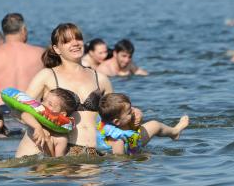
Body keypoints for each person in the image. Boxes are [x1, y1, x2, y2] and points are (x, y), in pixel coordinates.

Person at [15, 23, 142, 158]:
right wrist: (37, 127)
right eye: (67, 41)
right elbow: (19, 109)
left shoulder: (101, 78)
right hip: (65, 151)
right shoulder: (47, 76)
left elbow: (116, 114)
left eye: (78, 38)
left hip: (96, 151)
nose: (75, 43)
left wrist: (135, 113)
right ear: (57, 49)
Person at [97, 93, 189, 155]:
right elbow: (119, 160)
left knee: (155, 124)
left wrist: (139, 114)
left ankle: (174, 132)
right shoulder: (118, 141)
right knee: (155, 125)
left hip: (130, 135)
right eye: (129, 112)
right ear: (117, 122)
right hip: (132, 145)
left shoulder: (111, 119)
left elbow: (133, 111)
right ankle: (175, 131)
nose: (133, 112)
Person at [20, 88, 78, 157]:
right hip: (21, 165)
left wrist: (48, 143)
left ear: (62, 114)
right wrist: (37, 127)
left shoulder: (61, 139)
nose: (43, 104)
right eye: (43, 100)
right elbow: (24, 114)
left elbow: (57, 163)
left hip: (41, 166)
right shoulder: (35, 122)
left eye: (50, 104)